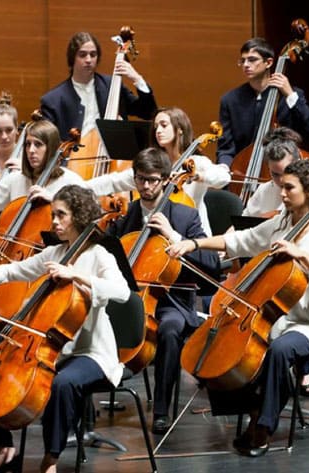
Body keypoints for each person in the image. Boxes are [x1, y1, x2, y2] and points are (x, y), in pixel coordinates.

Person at [167, 158, 309, 456]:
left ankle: (263, 426)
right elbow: (241, 240)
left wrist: (301, 255)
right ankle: (254, 407)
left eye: (289, 188)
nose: (283, 194)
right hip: (273, 318)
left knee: (279, 350)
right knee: (230, 348)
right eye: (282, 187)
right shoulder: (282, 223)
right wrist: (194, 244)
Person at [0, 184, 129, 473]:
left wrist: (78, 276)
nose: (54, 222)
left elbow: (122, 292)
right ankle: (2, 444)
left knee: (63, 384)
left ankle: (51, 459)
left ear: (80, 217)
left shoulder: (99, 255)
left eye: (61, 215)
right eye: (53, 215)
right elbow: (11, 270)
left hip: (91, 353)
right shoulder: (56, 252)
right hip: (49, 351)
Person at [105, 147, 218, 435]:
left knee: (169, 329)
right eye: (140, 179)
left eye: (153, 180)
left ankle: (161, 409)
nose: (145, 186)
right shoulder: (128, 215)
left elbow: (212, 264)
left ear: (167, 180)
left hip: (172, 302)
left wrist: (174, 235)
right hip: (131, 297)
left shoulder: (185, 216)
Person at [0, 119, 130, 224]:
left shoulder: (69, 181)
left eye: (38, 144)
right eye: (28, 144)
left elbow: (88, 216)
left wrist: (54, 200)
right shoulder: (17, 179)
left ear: (51, 148)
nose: (30, 150)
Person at [216, 37, 309, 168]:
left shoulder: (291, 95)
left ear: (268, 62)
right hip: (242, 173)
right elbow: (226, 148)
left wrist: (290, 95)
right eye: (242, 60)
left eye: (252, 60)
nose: (245, 65)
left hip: (285, 171)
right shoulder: (230, 100)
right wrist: (224, 169)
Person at [40, 31, 156, 141]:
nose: (89, 60)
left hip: (112, 156)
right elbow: (49, 142)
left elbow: (148, 112)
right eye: (82, 55)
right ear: (72, 58)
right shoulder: (53, 100)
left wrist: (137, 78)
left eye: (93, 55)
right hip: (74, 159)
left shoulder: (111, 86)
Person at [152, 106, 231, 235]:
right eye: (156, 127)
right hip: (160, 232)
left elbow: (224, 177)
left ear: (180, 130)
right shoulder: (156, 164)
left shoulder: (197, 162)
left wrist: (197, 176)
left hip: (193, 232)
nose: (158, 131)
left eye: (164, 125)